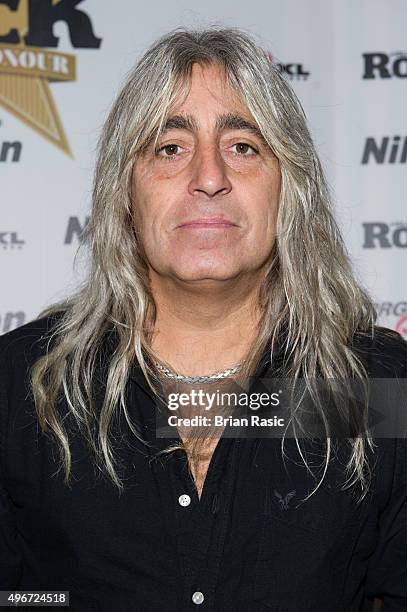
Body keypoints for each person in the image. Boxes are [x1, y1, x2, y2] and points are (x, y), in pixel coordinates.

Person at [1, 27, 406, 612]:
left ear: (291, 188)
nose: (209, 176)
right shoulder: (23, 384)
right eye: (170, 147)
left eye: (243, 146)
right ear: (123, 193)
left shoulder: (378, 387)